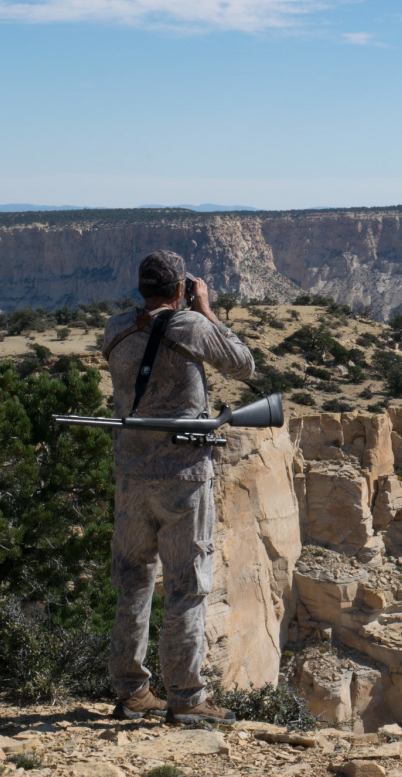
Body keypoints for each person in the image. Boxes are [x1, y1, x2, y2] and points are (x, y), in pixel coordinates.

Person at [103, 250, 254, 724]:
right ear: (180, 288)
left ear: (141, 287)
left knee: (132, 581)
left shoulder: (115, 329)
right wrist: (204, 307)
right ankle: (186, 698)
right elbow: (243, 364)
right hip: (182, 478)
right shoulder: (191, 326)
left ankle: (131, 693)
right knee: (186, 586)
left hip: (130, 474)